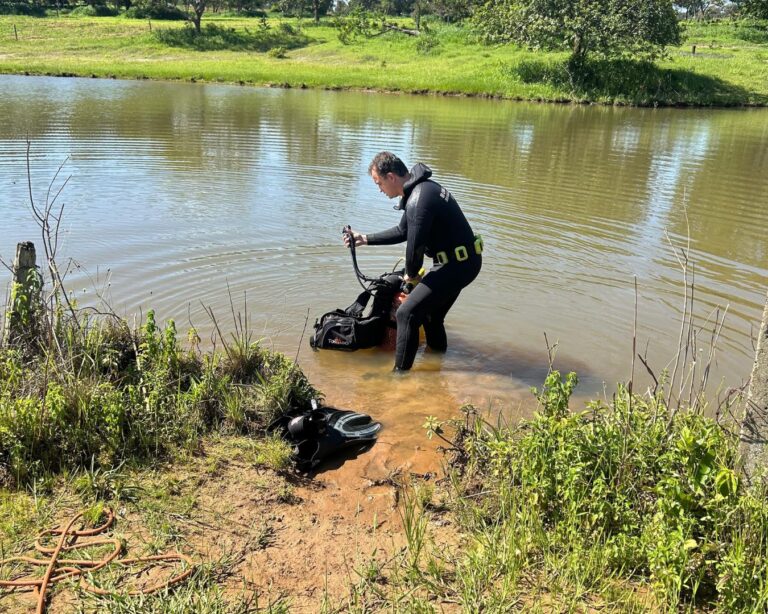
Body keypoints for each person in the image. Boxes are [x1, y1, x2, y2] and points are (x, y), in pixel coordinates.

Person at [344, 151, 482, 372]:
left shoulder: (418, 198)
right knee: (430, 316)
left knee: (406, 313)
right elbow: (403, 231)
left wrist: (411, 275)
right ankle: (435, 365)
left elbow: (415, 247)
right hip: (460, 262)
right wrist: (364, 239)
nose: (379, 190)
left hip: (457, 265)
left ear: (391, 177)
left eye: (379, 183)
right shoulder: (419, 191)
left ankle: (399, 377)